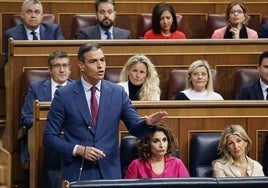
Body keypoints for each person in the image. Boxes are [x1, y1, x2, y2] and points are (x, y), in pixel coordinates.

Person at [42, 42, 168, 182]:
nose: (100, 65)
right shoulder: (64, 95)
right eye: (93, 61)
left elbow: (135, 127)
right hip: (77, 172)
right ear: (81, 65)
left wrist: (147, 123)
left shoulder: (117, 93)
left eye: (102, 60)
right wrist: (78, 149)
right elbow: (49, 137)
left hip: (109, 173)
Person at [20, 50, 73, 188]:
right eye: (57, 66)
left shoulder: (78, 88)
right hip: (42, 139)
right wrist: (45, 125)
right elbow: (25, 117)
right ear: (50, 69)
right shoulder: (36, 88)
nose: (62, 70)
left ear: (70, 68)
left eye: (65, 65)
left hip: (72, 139)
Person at [125, 123, 190, 178]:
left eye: (164, 140)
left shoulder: (177, 164)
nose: (162, 145)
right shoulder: (136, 165)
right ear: (147, 144)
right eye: (156, 141)